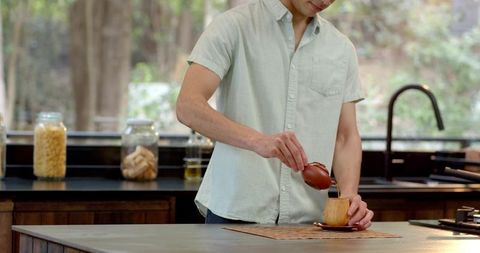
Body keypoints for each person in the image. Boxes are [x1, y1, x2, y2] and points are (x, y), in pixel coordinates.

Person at [176, 0, 374, 229]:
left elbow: (345, 136)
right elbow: (188, 105)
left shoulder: (341, 49)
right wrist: (258, 140)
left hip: (309, 223)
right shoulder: (234, 26)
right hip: (235, 216)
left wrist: (349, 197)